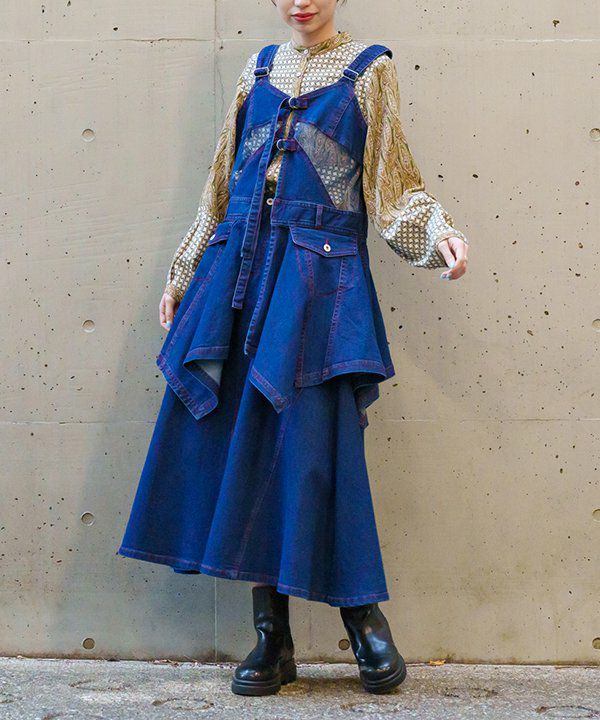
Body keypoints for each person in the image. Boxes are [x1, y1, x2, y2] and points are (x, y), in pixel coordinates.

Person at [117, 0, 469, 698]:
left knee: (317, 447)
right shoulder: (257, 69)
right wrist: (185, 273)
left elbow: (391, 185)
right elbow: (220, 186)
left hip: (316, 283)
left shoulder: (370, 70)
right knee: (247, 446)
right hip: (239, 276)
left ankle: (363, 618)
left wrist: (437, 237)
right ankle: (271, 638)